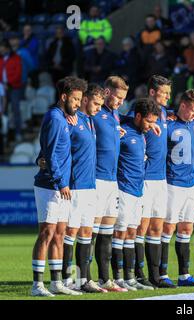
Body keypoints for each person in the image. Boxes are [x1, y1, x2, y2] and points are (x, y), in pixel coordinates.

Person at [38, 84, 107, 293]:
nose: (98, 108)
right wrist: (41, 160)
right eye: (95, 103)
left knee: (86, 232)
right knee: (69, 233)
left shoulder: (87, 121)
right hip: (74, 186)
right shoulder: (69, 121)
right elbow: (50, 149)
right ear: (84, 100)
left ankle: (83, 279)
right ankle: (68, 278)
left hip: (90, 185)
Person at [31, 76, 87, 296]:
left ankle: (56, 283)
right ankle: (37, 285)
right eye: (75, 99)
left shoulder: (63, 118)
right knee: (47, 232)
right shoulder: (55, 118)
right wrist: (61, 182)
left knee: (60, 234)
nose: (77, 103)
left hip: (61, 186)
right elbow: (51, 154)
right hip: (50, 185)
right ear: (64, 97)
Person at [131, 75, 177, 288]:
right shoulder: (138, 113)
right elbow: (124, 124)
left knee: (157, 227)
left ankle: (156, 275)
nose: (168, 96)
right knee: (142, 227)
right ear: (152, 93)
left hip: (162, 179)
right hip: (145, 179)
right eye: (164, 93)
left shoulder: (166, 114)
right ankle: (139, 275)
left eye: (169, 92)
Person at [111, 98, 160, 291]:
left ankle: (130, 278)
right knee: (119, 233)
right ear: (138, 116)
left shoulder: (141, 134)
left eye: (154, 122)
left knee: (132, 233)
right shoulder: (123, 131)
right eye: (149, 121)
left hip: (138, 191)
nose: (151, 126)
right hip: (123, 189)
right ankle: (117, 277)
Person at [162, 89, 194, 288]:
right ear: (182, 106)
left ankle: (184, 275)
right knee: (168, 227)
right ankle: (162, 274)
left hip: (191, 183)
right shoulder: (169, 123)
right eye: (192, 110)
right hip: (173, 182)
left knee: (187, 228)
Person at [91, 76, 129, 292]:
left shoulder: (115, 115)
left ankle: (105, 279)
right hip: (95, 179)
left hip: (112, 180)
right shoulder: (94, 113)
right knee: (90, 233)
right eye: (118, 97)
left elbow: (132, 118)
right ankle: (82, 279)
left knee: (107, 232)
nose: (121, 102)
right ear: (106, 92)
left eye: (124, 98)